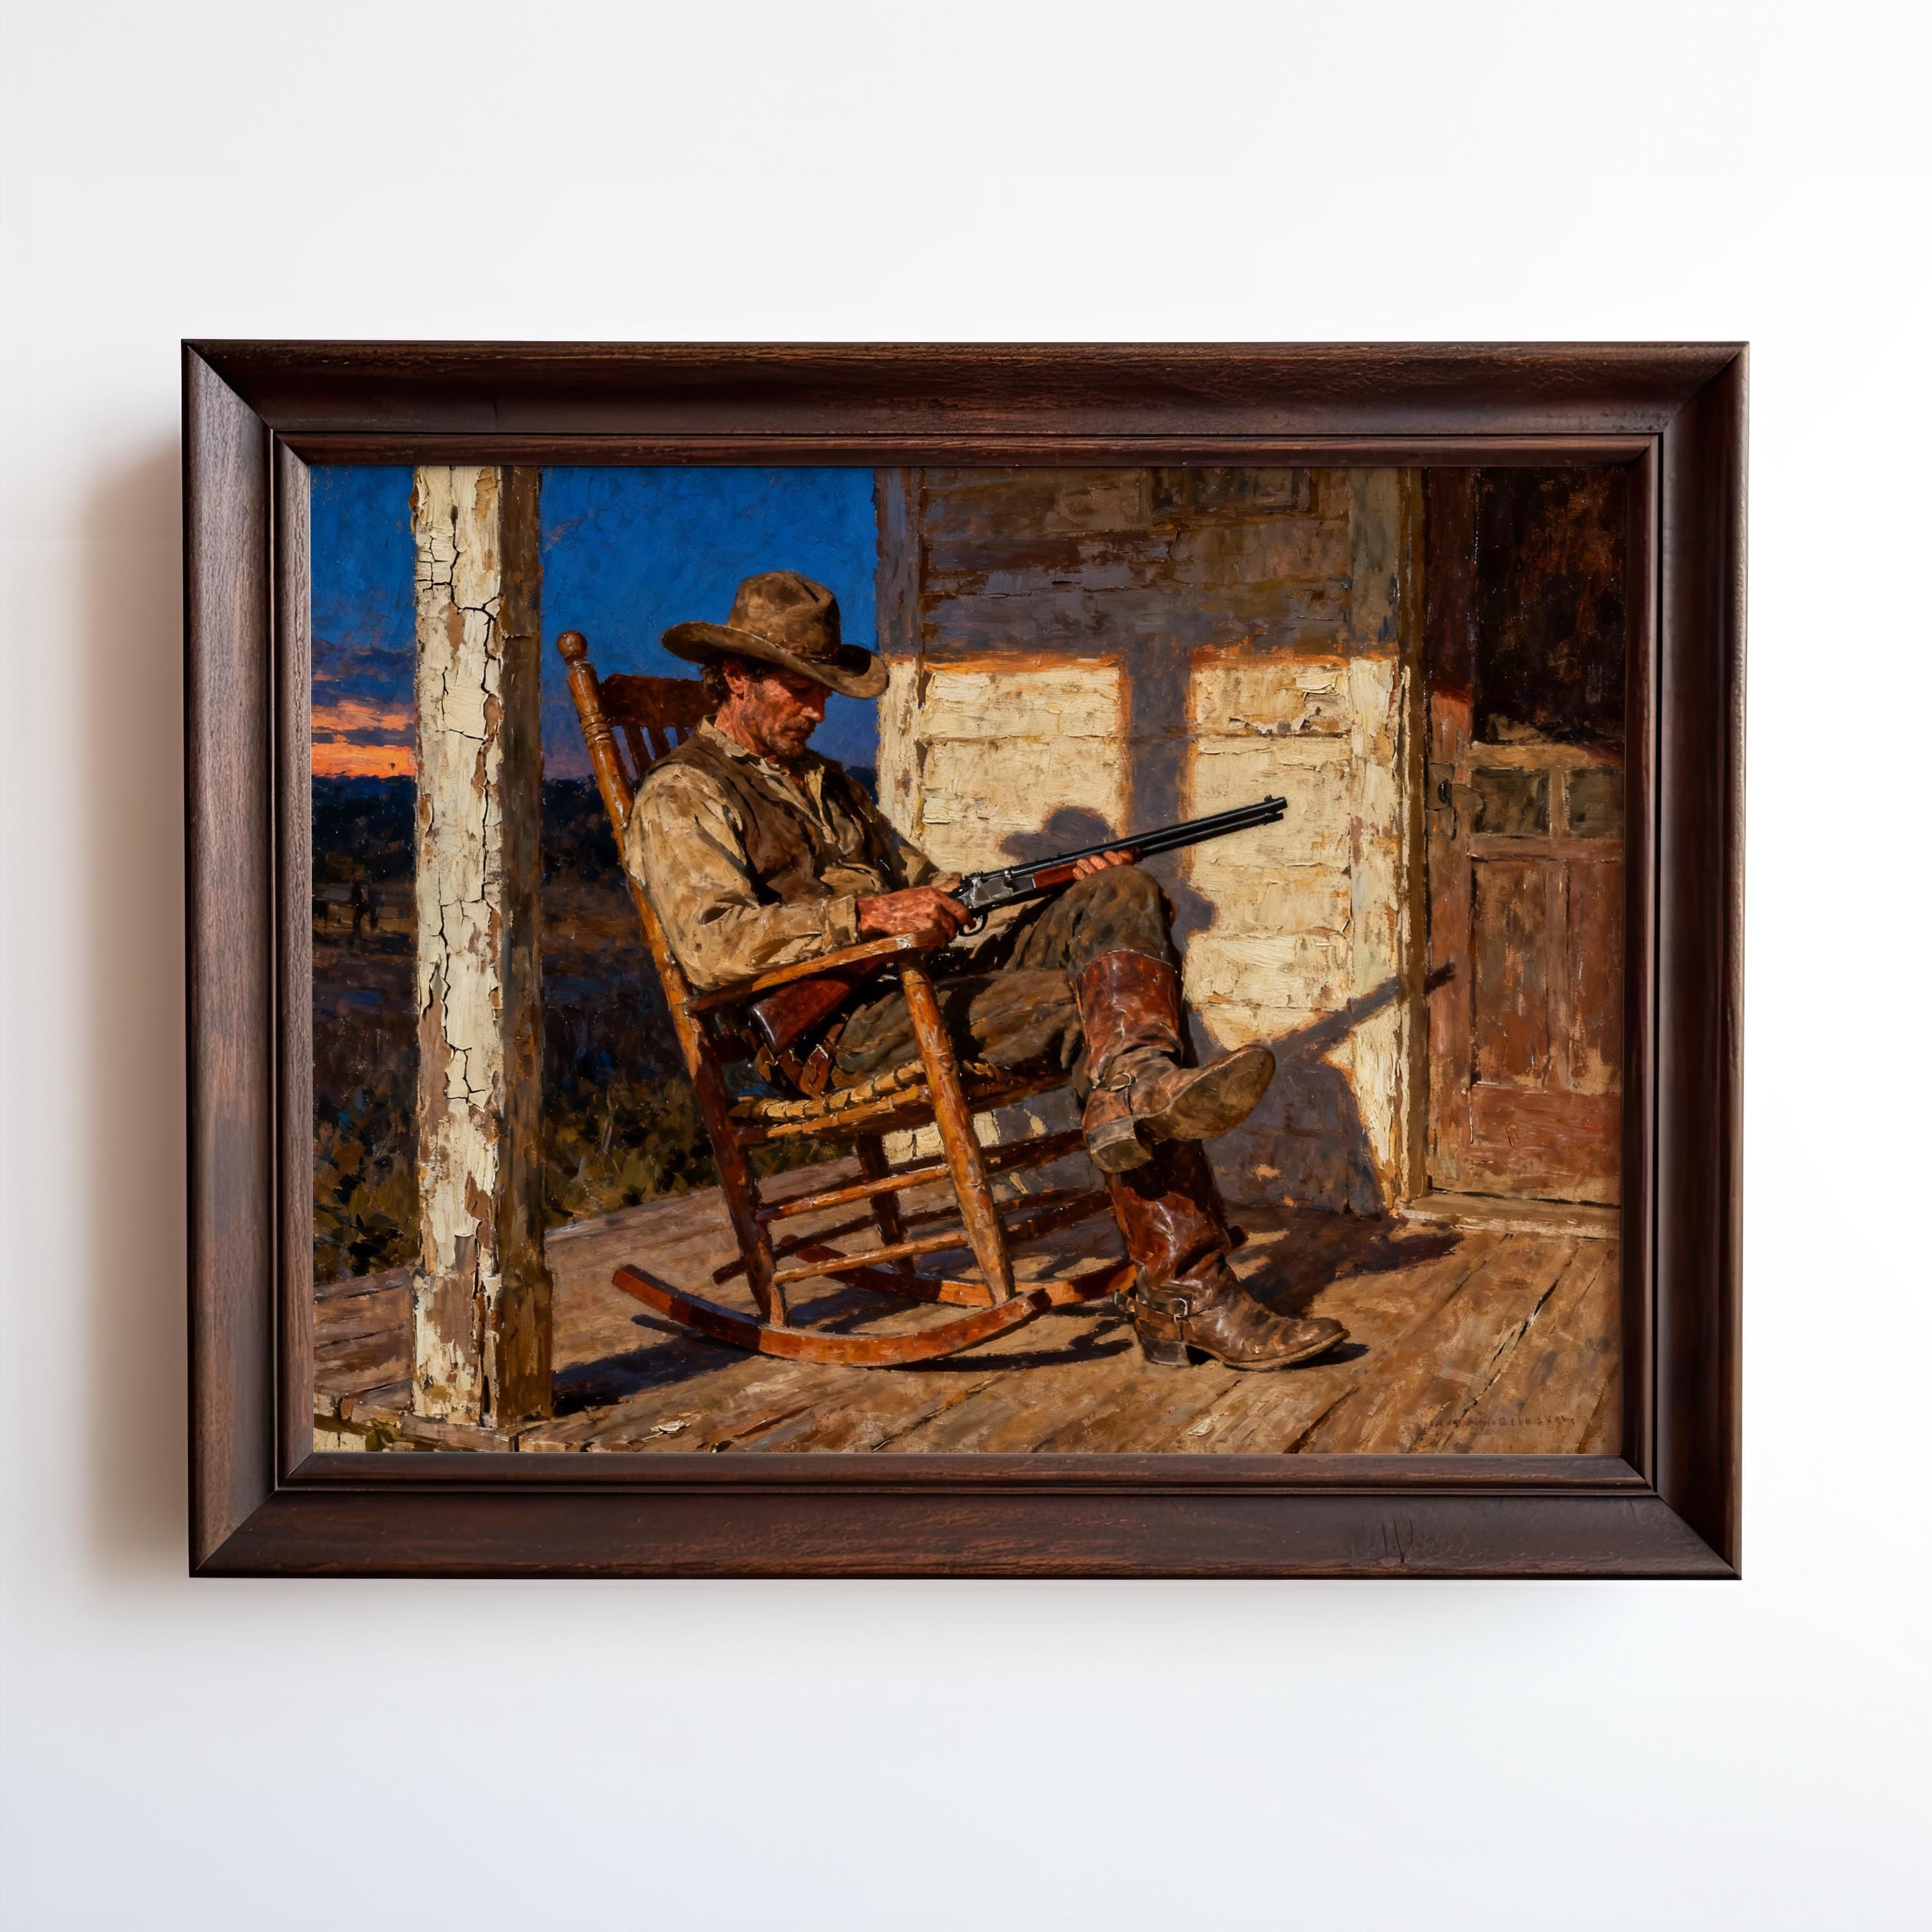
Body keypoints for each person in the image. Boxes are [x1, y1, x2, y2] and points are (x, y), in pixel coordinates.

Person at [627, 571, 1347, 1371]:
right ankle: (1190, 1291)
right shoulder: (683, 792)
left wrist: (1033, 888)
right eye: (803, 692)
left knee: (1120, 889)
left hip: (920, 987)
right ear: (737, 678)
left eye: (825, 693)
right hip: (840, 1033)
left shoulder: (830, 787)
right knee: (1085, 1008)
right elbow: (713, 946)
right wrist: (867, 916)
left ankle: (1135, 1087)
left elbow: (924, 885)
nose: (820, 711)